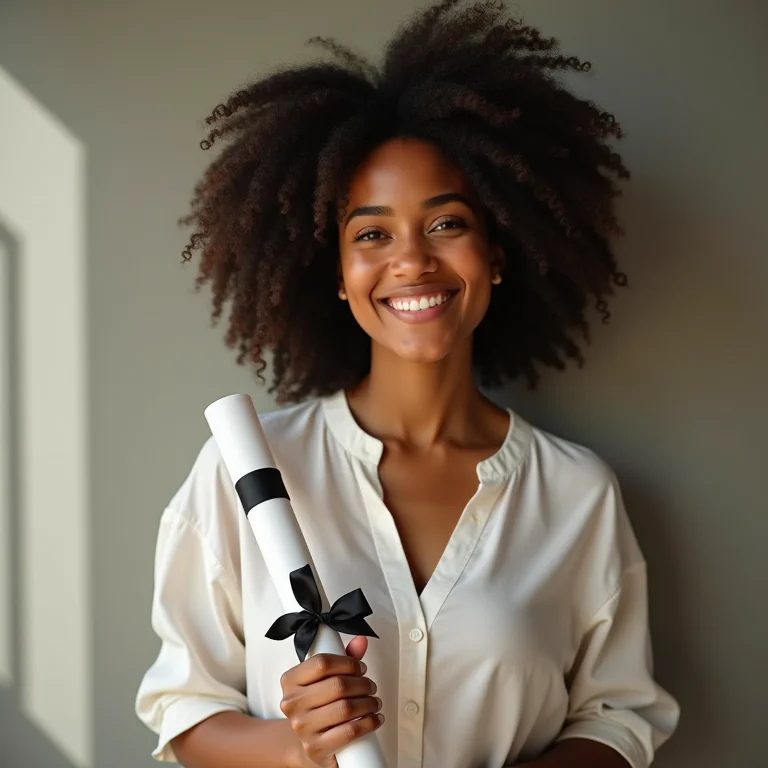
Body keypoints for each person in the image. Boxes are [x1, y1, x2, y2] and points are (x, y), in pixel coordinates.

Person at [135, 1, 680, 766]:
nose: (412, 261)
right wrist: (297, 747)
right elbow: (182, 710)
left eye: (447, 223)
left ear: (496, 252)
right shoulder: (242, 467)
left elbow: (618, 719)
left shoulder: (575, 493)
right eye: (371, 234)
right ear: (338, 273)